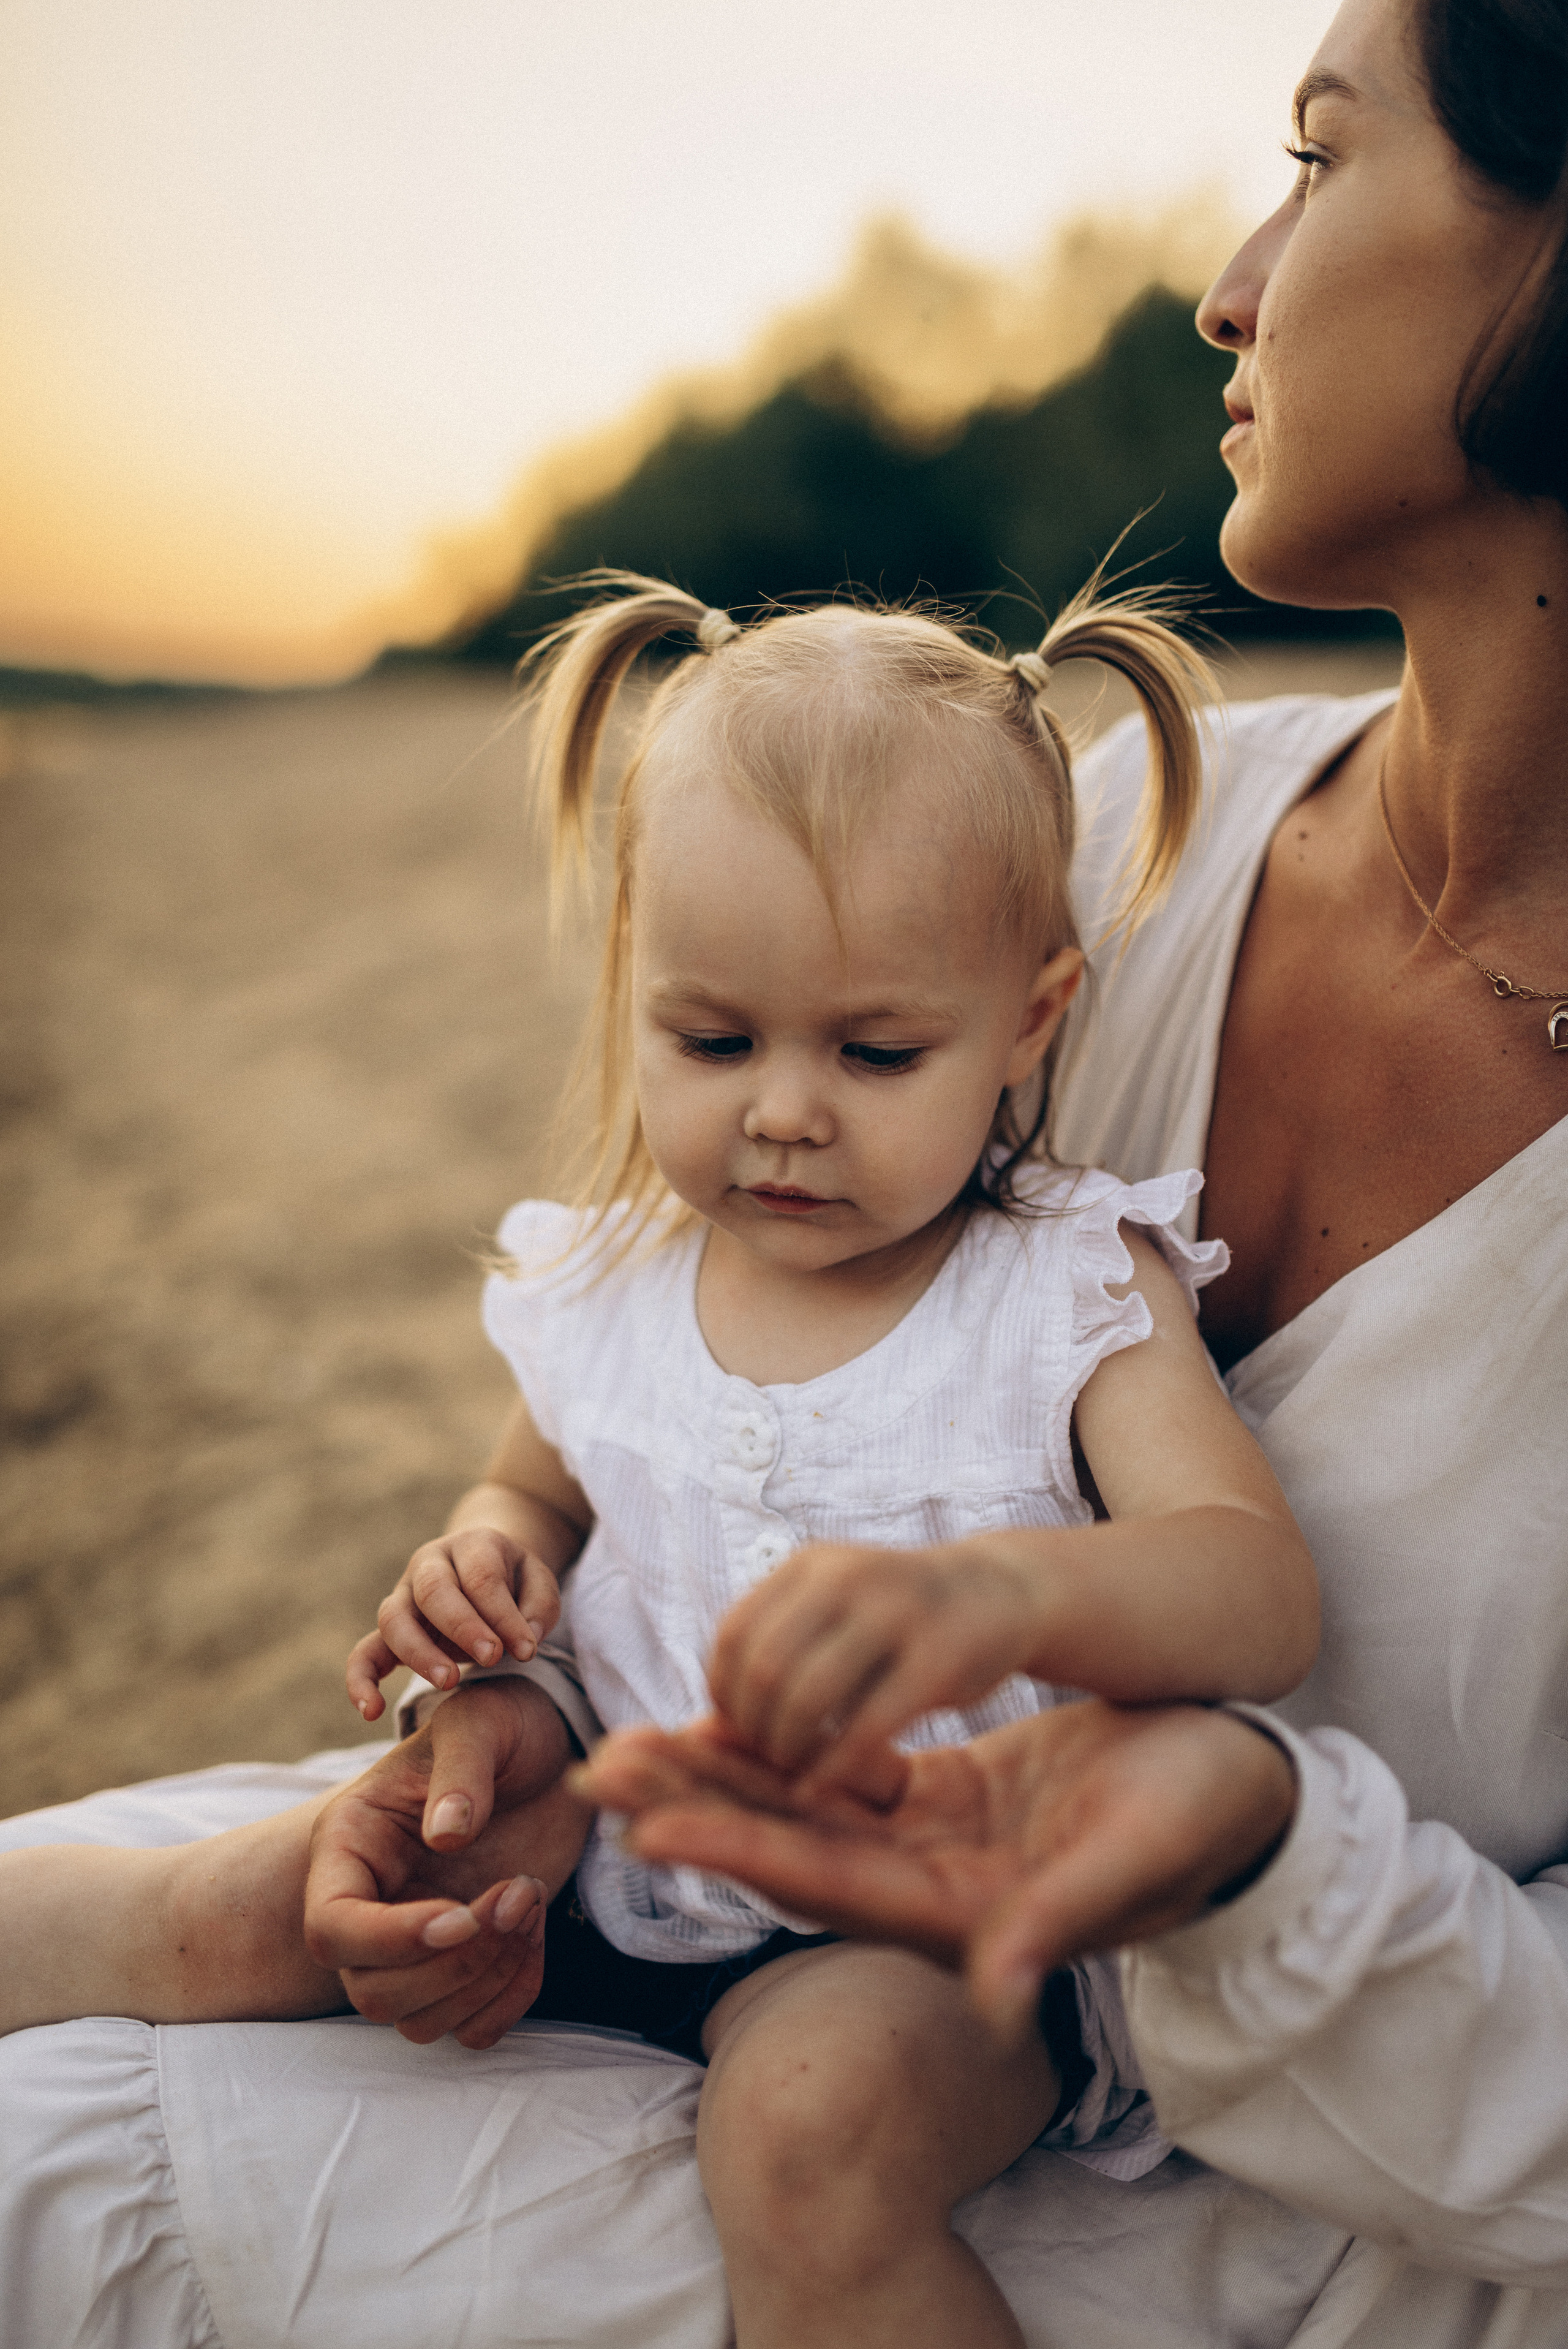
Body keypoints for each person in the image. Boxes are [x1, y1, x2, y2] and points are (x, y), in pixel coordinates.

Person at [4, 0, 1566, 2340]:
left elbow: (1213, 1579)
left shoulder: (1066, 1214)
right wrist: (487, 1638)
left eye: (1324, 160)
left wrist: (1122, 1728)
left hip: (1128, 2114)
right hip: (622, 1861)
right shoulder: (1117, 836)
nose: (1231, 281)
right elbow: (587, 1472)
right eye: (717, 1038)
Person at [4, 569, 1324, 2349]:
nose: (783, 1106)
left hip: (933, 1923)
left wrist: (1007, 1587)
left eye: (875, 1050)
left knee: (805, 2136)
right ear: (637, 987)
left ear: (1030, 1018)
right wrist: (476, 1587)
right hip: (610, 1831)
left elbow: (1255, 1592)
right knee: (275, 1894)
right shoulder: (612, 1278)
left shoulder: (1065, 1285)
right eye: (713, 1038)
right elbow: (530, 1501)